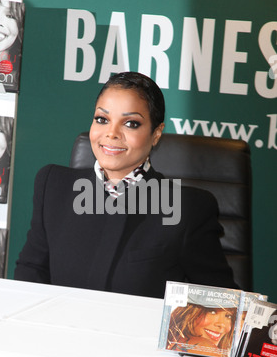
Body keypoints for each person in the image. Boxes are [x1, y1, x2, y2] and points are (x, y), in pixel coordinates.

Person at [15, 72, 236, 298]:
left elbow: (223, 305)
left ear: (156, 134)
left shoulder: (187, 209)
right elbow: (31, 272)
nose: (111, 134)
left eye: (131, 123)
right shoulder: (53, 185)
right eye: (102, 119)